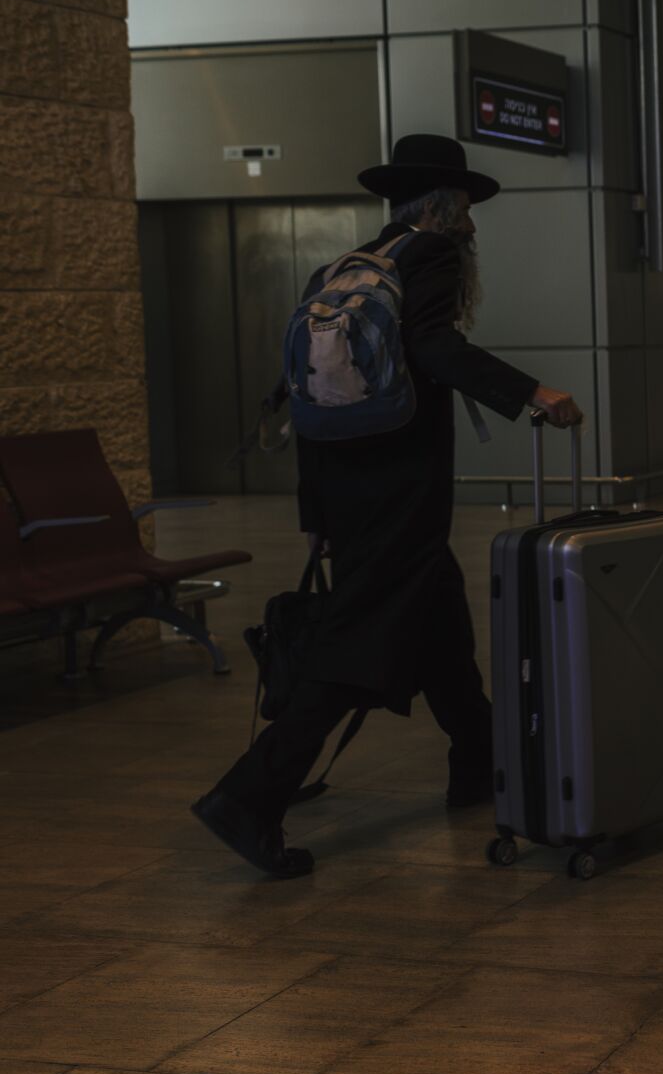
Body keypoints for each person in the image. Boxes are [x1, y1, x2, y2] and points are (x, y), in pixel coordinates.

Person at [191, 134, 586, 878]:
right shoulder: (430, 256)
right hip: (401, 488)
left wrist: (317, 511)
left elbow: (305, 393)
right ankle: (248, 796)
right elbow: (434, 348)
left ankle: (479, 761)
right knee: (358, 644)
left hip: (348, 489)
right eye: (465, 206)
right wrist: (532, 392)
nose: (471, 222)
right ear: (441, 206)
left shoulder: (342, 266)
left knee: (439, 620)